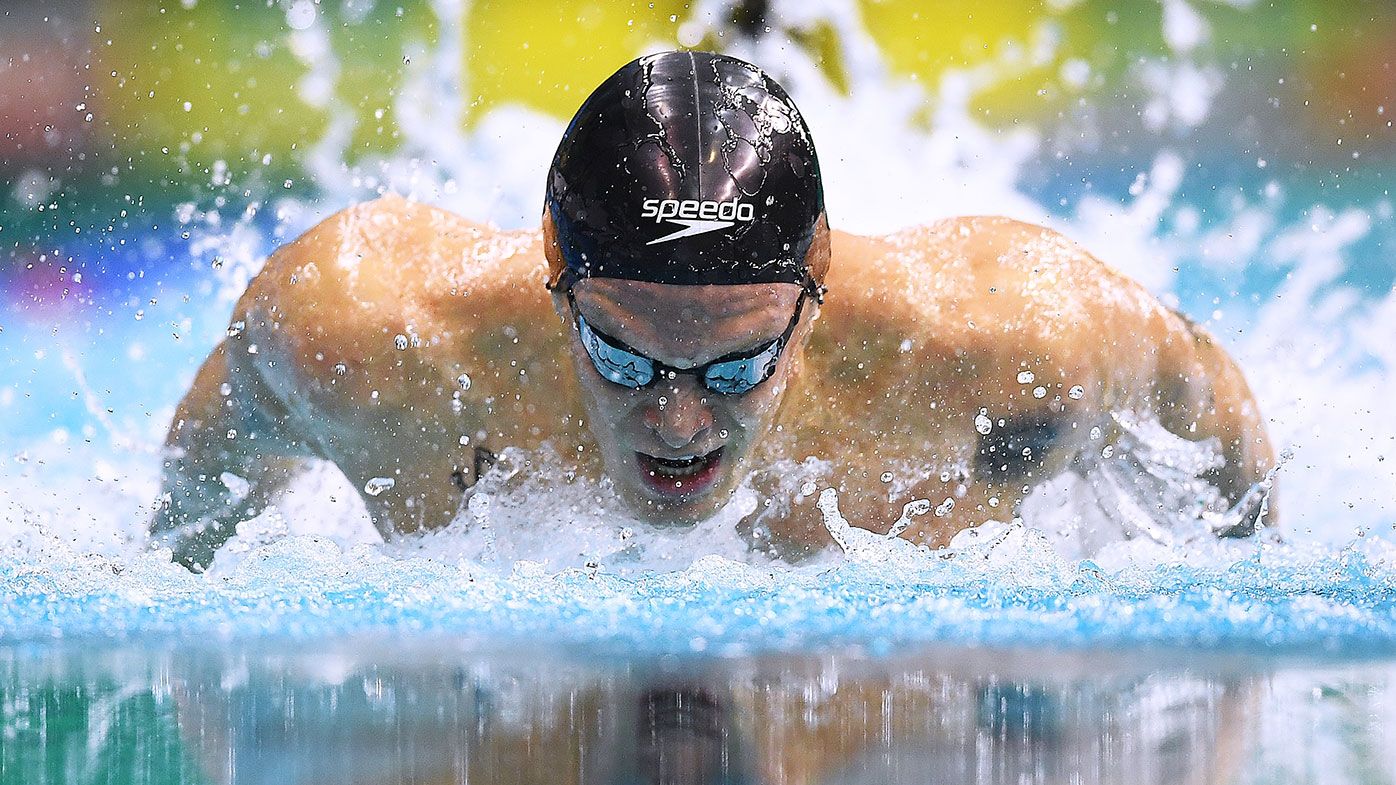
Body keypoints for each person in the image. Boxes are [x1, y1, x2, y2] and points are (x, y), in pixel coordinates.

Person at [151, 51, 1275, 570]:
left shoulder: (1020, 344)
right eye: (623, 357)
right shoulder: (360, 335)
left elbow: (1211, 415)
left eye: (736, 366)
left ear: (817, 275)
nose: (680, 423)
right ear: (553, 264)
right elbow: (188, 527)